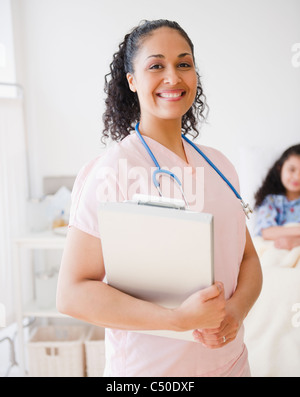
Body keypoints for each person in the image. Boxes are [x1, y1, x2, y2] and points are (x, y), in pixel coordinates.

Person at [56, 19, 262, 377]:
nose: (173, 77)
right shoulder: (114, 171)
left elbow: (247, 259)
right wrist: (176, 319)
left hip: (231, 364)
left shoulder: (220, 165)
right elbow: (72, 293)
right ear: (132, 81)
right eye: (156, 66)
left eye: (184, 64)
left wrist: (235, 312)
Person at [254, 144, 300, 250]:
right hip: (276, 250)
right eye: (292, 170)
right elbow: (266, 231)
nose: (297, 177)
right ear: (280, 168)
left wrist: (295, 241)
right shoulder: (272, 201)